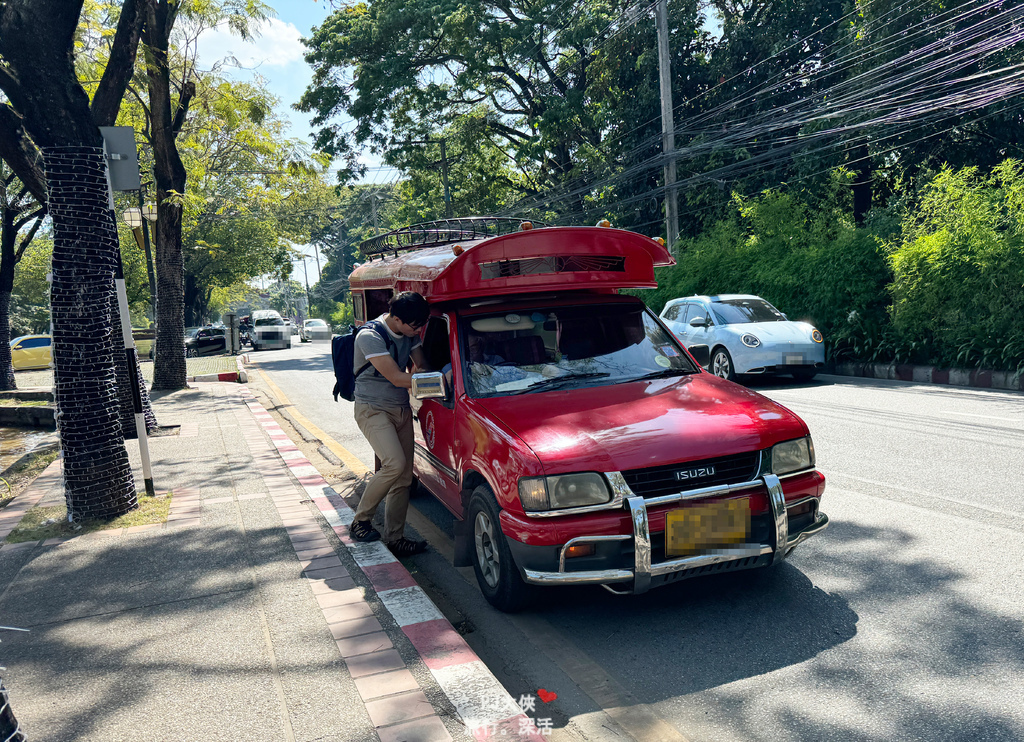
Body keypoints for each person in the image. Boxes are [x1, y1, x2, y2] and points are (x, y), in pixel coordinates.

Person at [348, 292, 431, 556]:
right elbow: (396, 377)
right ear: (396, 319)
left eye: (420, 326)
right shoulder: (369, 336)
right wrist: (440, 381)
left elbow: (422, 364)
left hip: (401, 409)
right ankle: (361, 521)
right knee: (394, 463)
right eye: (414, 326)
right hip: (373, 409)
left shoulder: (410, 331)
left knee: (404, 477)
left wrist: (429, 373)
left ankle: (395, 538)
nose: (417, 331)